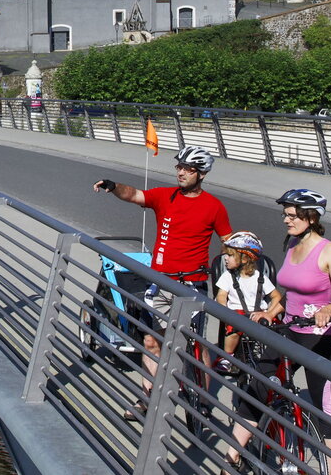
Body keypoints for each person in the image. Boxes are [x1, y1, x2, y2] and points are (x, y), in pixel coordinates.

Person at [91, 145, 231, 415]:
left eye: (187, 169)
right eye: (178, 167)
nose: (180, 172)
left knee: (195, 346)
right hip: (160, 281)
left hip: (192, 283)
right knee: (151, 341)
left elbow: (228, 243)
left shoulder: (214, 207)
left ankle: (202, 402)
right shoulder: (165, 197)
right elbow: (135, 195)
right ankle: (147, 399)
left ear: (200, 174)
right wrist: (112, 186)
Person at [275, 187, 331, 472]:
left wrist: (328, 310)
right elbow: (291, 290)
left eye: (293, 215)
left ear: (311, 218)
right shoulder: (292, 245)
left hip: (321, 339)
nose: (287, 220)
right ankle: (232, 458)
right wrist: (271, 310)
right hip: (289, 331)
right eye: (285, 214)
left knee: (325, 411)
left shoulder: (330, 251)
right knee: (261, 384)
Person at [217, 230, 282, 473]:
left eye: (230, 255)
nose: (225, 259)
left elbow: (276, 297)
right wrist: (224, 310)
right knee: (232, 329)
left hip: (258, 319)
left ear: (245, 258)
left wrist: (272, 310)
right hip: (237, 316)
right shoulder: (227, 276)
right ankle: (227, 357)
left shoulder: (261, 279)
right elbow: (221, 297)